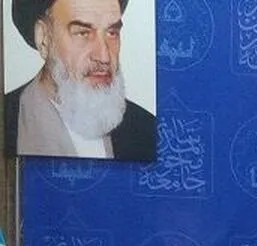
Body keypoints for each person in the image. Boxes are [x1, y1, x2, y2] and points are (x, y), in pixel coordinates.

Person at [4, 0, 156, 160]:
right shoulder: (7, 121)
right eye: (83, 33)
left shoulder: (146, 129)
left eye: (112, 33)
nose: (104, 56)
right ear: (44, 39)